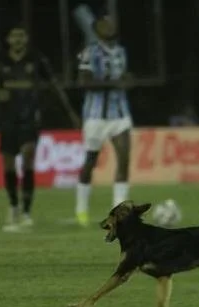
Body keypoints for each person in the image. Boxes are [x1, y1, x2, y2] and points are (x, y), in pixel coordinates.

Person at [0, 26, 80, 232]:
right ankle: (13, 205)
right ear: (8, 38)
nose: (18, 39)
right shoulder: (0, 59)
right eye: (14, 35)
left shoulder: (36, 59)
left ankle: (26, 212)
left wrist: (70, 112)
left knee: (28, 155)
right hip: (7, 119)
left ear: (27, 38)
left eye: (21, 35)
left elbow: (54, 85)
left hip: (30, 118)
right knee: (8, 163)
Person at [74, 16, 134, 227]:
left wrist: (128, 80)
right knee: (90, 161)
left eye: (112, 22)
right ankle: (81, 209)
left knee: (124, 159)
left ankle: (120, 213)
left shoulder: (120, 51)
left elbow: (123, 76)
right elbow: (83, 81)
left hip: (120, 115)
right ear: (97, 29)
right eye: (105, 23)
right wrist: (115, 83)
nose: (110, 25)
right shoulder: (90, 52)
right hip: (95, 116)